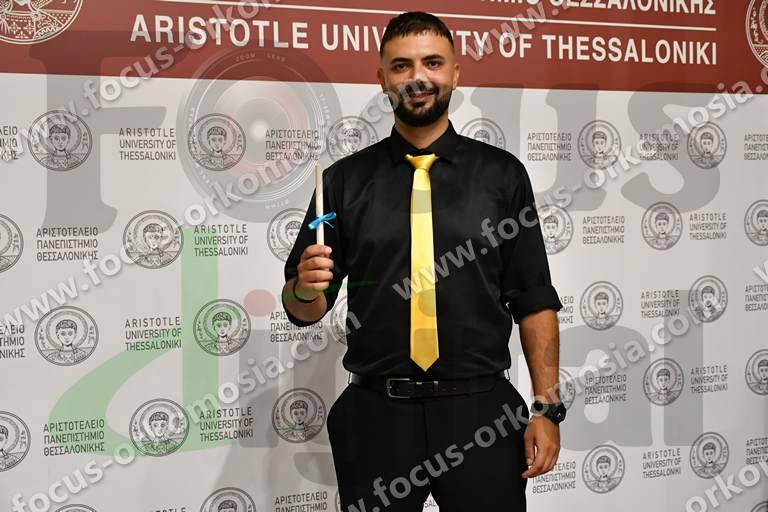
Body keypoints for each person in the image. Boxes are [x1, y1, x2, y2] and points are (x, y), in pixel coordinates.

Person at [281, 11, 564, 511]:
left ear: (455, 72)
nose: (418, 77)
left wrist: (547, 407)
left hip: (481, 415)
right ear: (381, 79)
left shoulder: (502, 176)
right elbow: (305, 308)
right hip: (377, 418)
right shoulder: (341, 182)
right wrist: (303, 288)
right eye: (401, 66)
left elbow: (533, 299)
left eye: (432, 63)